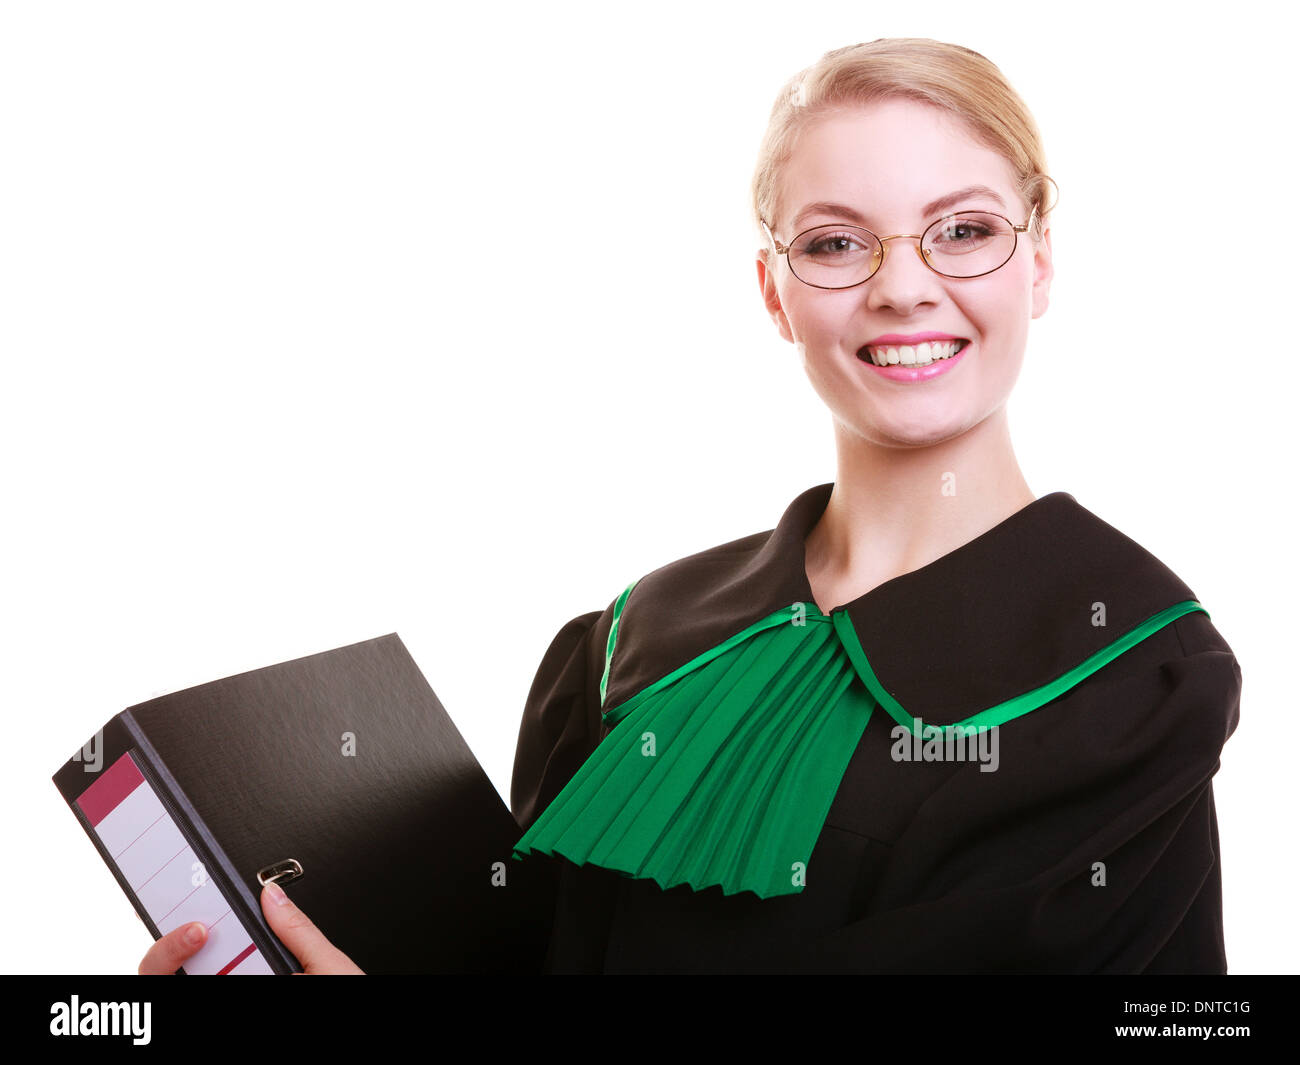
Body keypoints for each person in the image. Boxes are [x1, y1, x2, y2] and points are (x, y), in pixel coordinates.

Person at [141, 36, 1241, 975]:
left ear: (1038, 262)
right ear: (774, 292)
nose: (902, 286)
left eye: (962, 229)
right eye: (834, 243)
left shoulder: (1130, 674)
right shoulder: (629, 641)